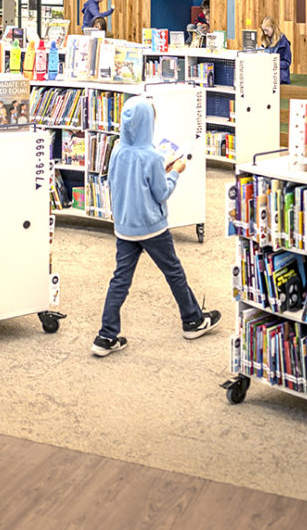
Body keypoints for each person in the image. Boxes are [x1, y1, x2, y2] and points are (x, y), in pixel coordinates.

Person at [92, 98, 221, 357]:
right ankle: (192, 321)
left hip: (125, 226)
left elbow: (120, 181)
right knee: (174, 272)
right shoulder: (152, 156)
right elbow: (161, 193)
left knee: (120, 280)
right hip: (152, 228)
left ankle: (105, 336)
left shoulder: (117, 150)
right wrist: (175, 172)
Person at [258, 16, 292, 84]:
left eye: (267, 30)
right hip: (266, 75)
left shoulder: (284, 43)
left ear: (273, 27)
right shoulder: (265, 41)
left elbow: (287, 62)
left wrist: (273, 64)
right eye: (263, 30)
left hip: (280, 77)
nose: (265, 33)